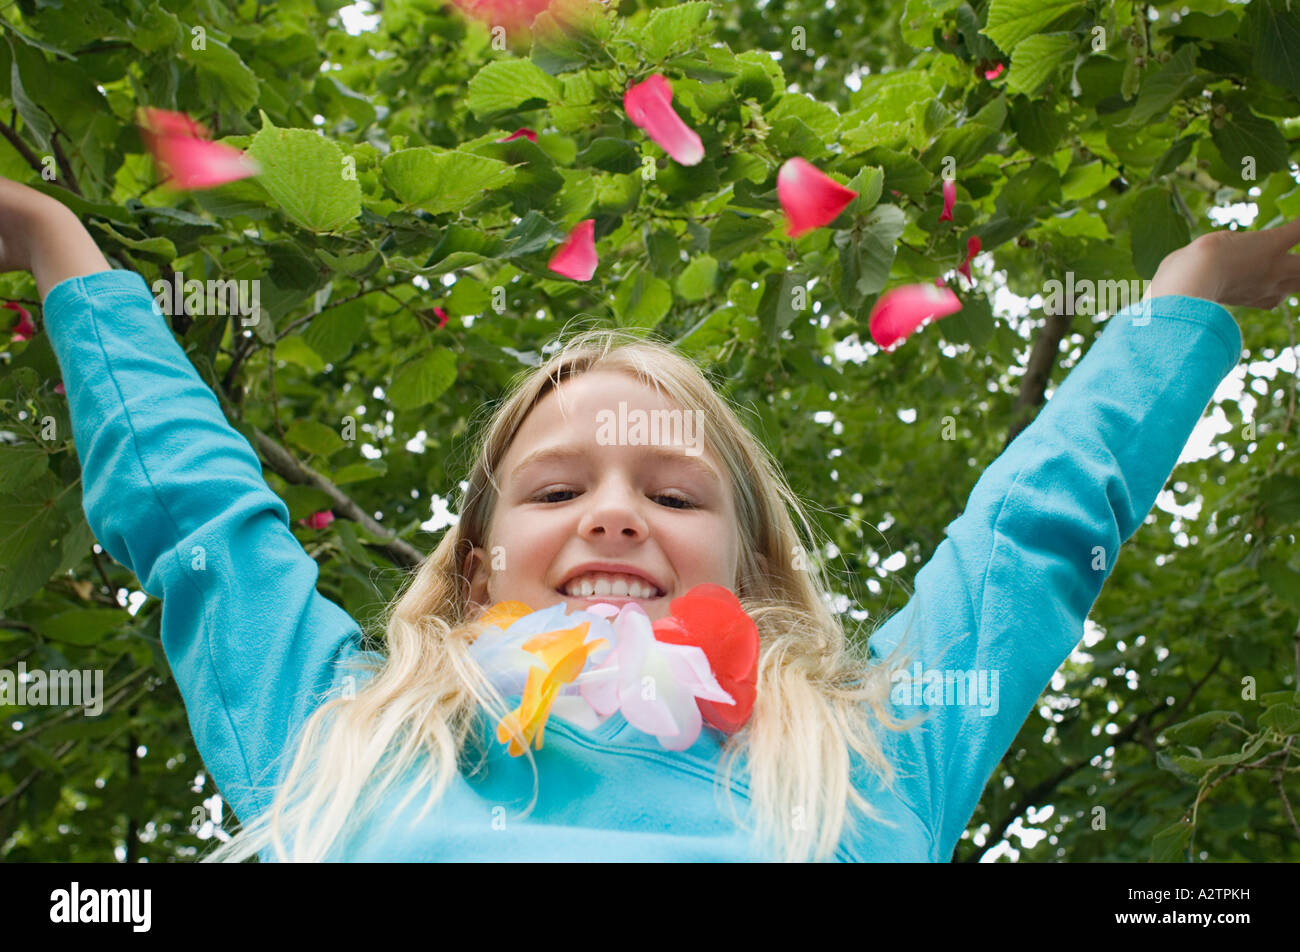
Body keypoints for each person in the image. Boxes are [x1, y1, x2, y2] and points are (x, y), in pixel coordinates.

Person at [2, 174, 1294, 862]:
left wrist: (1191, 292)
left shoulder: (861, 765)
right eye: (558, 491)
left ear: (757, 570)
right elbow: (201, 524)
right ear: (470, 571)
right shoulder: (344, 742)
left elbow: (1031, 538)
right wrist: (53, 238)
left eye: (673, 494)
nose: (613, 516)